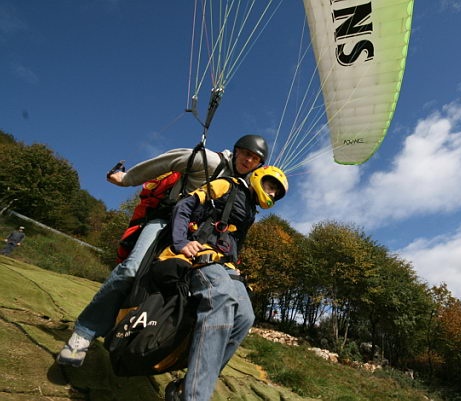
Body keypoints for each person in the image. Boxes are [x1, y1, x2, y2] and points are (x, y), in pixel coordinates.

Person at [57, 135, 269, 367]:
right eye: (246, 154)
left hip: (199, 239)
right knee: (131, 270)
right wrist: (127, 179)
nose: (249, 161)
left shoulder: (247, 186)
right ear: (237, 151)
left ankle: (169, 356)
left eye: (255, 159)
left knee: (202, 297)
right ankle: (84, 333)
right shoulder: (209, 161)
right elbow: (169, 160)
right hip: (168, 222)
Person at [158, 165, 288, 401]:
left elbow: (232, 241)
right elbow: (185, 205)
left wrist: (235, 263)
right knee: (222, 298)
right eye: (271, 187)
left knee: (245, 317)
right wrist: (181, 242)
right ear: (259, 177)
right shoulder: (226, 184)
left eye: (275, 193)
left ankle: (187, 385)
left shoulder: (250, 211)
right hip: (202, 254)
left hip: (226, 265)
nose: (271, 194)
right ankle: (195, 396)